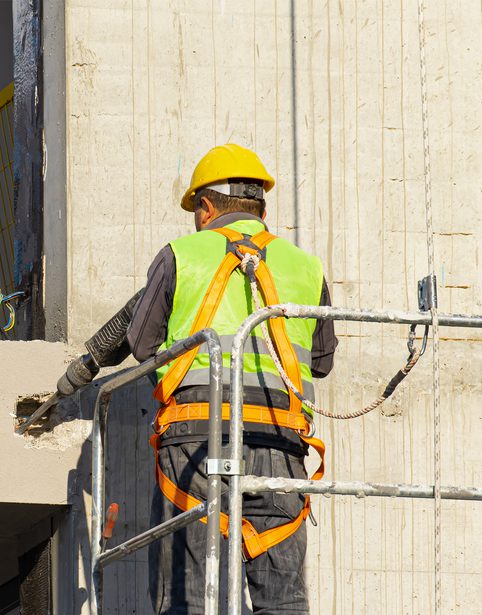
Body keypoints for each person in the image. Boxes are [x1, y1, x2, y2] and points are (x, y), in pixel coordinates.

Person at [126, 144, 338, 614]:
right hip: (280, 443)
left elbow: (140, 346)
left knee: (185, 597)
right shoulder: (305, 266)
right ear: (262, 206)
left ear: (205, 208)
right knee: (282, 600)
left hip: (195, 442)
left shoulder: (180, 255)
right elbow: (321, 361)